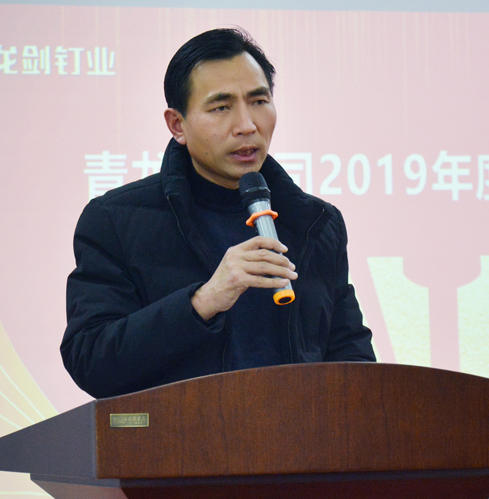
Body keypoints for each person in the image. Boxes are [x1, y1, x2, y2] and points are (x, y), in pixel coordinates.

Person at [61, 28, 375, 403]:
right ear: (177, 125)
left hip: (300, 438)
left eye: (259, 101)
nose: (247, 125)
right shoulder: (117, 221)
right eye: (221, 108)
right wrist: (204, 300)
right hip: (179, 438)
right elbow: (91, 359)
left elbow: (353, 361)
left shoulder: (315, 223)